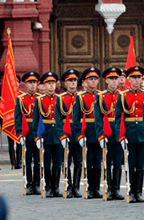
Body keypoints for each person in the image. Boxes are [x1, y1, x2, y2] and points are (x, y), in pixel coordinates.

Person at [115, 65, 144, 203]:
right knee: (130, 164)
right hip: (129, 134)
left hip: (142, 133)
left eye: (139, 78)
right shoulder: (123, 95)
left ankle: (139, 192)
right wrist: (121, 136)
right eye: (134, 78)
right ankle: (131, 191)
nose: (137, 81)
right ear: (129, 79)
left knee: (140, 164)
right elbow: (118, 118)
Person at [72, 67, 102, 199]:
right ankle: (90, 188)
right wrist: (79, 135)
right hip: (87, 133)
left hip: (99, 132)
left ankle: (96, 187)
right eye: (91, 79)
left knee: (98, 162)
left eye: (95, 79)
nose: (93, 81)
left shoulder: (102, 96)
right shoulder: (80, 97)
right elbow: (76, 118)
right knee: (89, 162)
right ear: (85, 81)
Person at [34, 71, 64, 197]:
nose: (51, 86)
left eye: (53, 83)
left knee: (57, 162)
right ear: (44, 85)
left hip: (57, 135)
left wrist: (64, 135)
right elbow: (36, 120)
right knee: (46, 162)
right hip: (45, 134)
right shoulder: (39, 100)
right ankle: (48, 187)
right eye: (48, 83)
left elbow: (63, 118)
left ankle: (56, 187)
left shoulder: (60, 99)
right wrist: (37, 137)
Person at [96, 66, 124, 201]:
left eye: (115, 79)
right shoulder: (101, 97)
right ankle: (108, 187)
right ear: (106, 81)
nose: (113, 81)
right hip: (106, 134)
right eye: (111, 79)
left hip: (118, 133)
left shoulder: (122, 95)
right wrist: (100, 135)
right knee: (107, 162)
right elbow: (98, 118)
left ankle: (116, 189)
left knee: (118, 162)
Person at [56, 68, 81, 197]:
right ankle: (68, 185)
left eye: (74, 80)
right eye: (70, 81)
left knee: (79, 161)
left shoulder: (81, 97)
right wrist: (62, 135)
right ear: (65, 83)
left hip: (78, 133)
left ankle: (76, 187)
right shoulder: (60, 99)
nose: (72, 83)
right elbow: (58, 118)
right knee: (66, 160)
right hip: (66, 132)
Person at [14, 71, 40, 193]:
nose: (32, 85)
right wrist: (19, 134)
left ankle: (37, 184)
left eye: (34, 82)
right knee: (27, 160)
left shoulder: (40, 98)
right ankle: (29, 184)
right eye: (30, 82)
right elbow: (17, 118)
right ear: (26, 84)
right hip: (26, 133)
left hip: (38, 134)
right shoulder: (20, 99)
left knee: (39, 160)